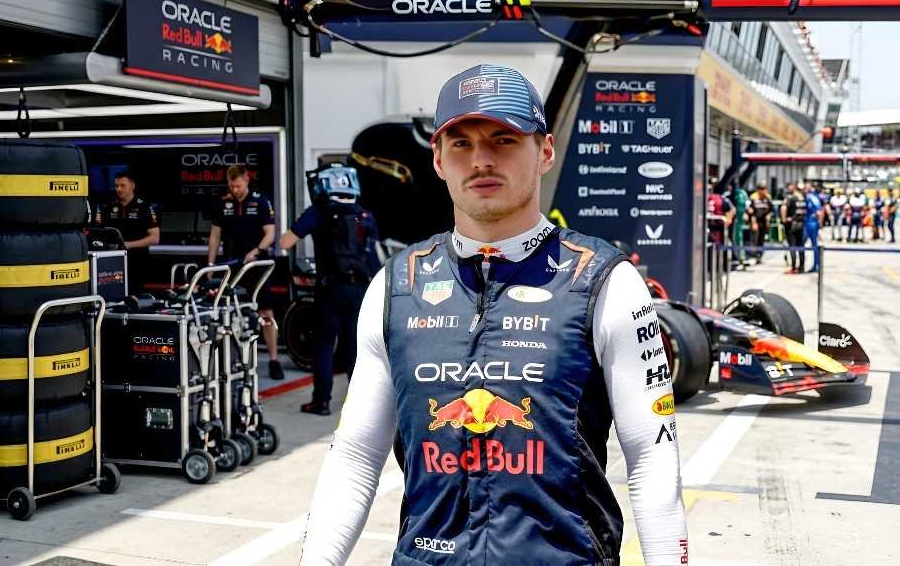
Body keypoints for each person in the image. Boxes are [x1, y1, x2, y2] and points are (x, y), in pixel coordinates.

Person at [300, 64, 688, 565]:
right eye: (460, 143)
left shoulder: (605, 282)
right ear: (437, 159)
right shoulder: (395, 286)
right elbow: (354, 456)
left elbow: (653, 458)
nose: (481, 159)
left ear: (544, 151)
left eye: (504, 138)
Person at [279, 164, 380, 416]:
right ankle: (362, 406)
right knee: (354, 346)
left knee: (324, 345)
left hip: (330, 288)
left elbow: (285, 241)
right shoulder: (364, 214)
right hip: (360, 288)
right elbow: (375, 256)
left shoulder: (320, 211)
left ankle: (321, 401)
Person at [207, 165, 284, 380]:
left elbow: (270, 233)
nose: (235, 189)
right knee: (230, 313)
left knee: (265, 313)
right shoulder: (223, 204)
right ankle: (235, 361)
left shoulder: (261, 201)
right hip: (232, 267)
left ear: (246, 181)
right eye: (231, 186)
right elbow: (214, 236)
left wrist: (256, 250)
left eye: (238, 185)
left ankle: (274, 360)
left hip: (257, 267)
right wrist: (211, 265)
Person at [93, 171, 160, 292]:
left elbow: (155, 238)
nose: (119, 189)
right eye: (116, 186)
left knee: (135, 293)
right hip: (112, 260)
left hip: (137, 260)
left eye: (122, 185)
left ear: (132, 185)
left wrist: (128, 245)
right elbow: (99, 231)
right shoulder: (109, 205)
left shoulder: (144, 206)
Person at [781, 182, 806, 274]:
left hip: (792, 225)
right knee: (801, 246)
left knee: (792, 246)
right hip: (801, 224)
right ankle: (802, 267)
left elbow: (783, 208)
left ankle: (793, 267)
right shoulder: (803, 198)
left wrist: (784, 220)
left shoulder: (790, 197)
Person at [748, 183, 773, 263]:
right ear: (758, 189)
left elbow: (772, 210)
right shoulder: (753, 197)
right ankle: (754, 255)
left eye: (764, 189)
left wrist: (769, 216)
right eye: (762, 189)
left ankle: (759, 256)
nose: (764, 191)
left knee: (762, 239)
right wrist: (753, 222)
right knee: (755, 239)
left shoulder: (767, 197)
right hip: (755, 221)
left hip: (764, 222)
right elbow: (750, 211)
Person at [804, 182, 823, 273]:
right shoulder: (806, 197)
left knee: (815, 245)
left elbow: (819, 212)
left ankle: (816, 265)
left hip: (812, 223)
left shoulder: (812, 197)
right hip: (807, 222)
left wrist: (820, 226)